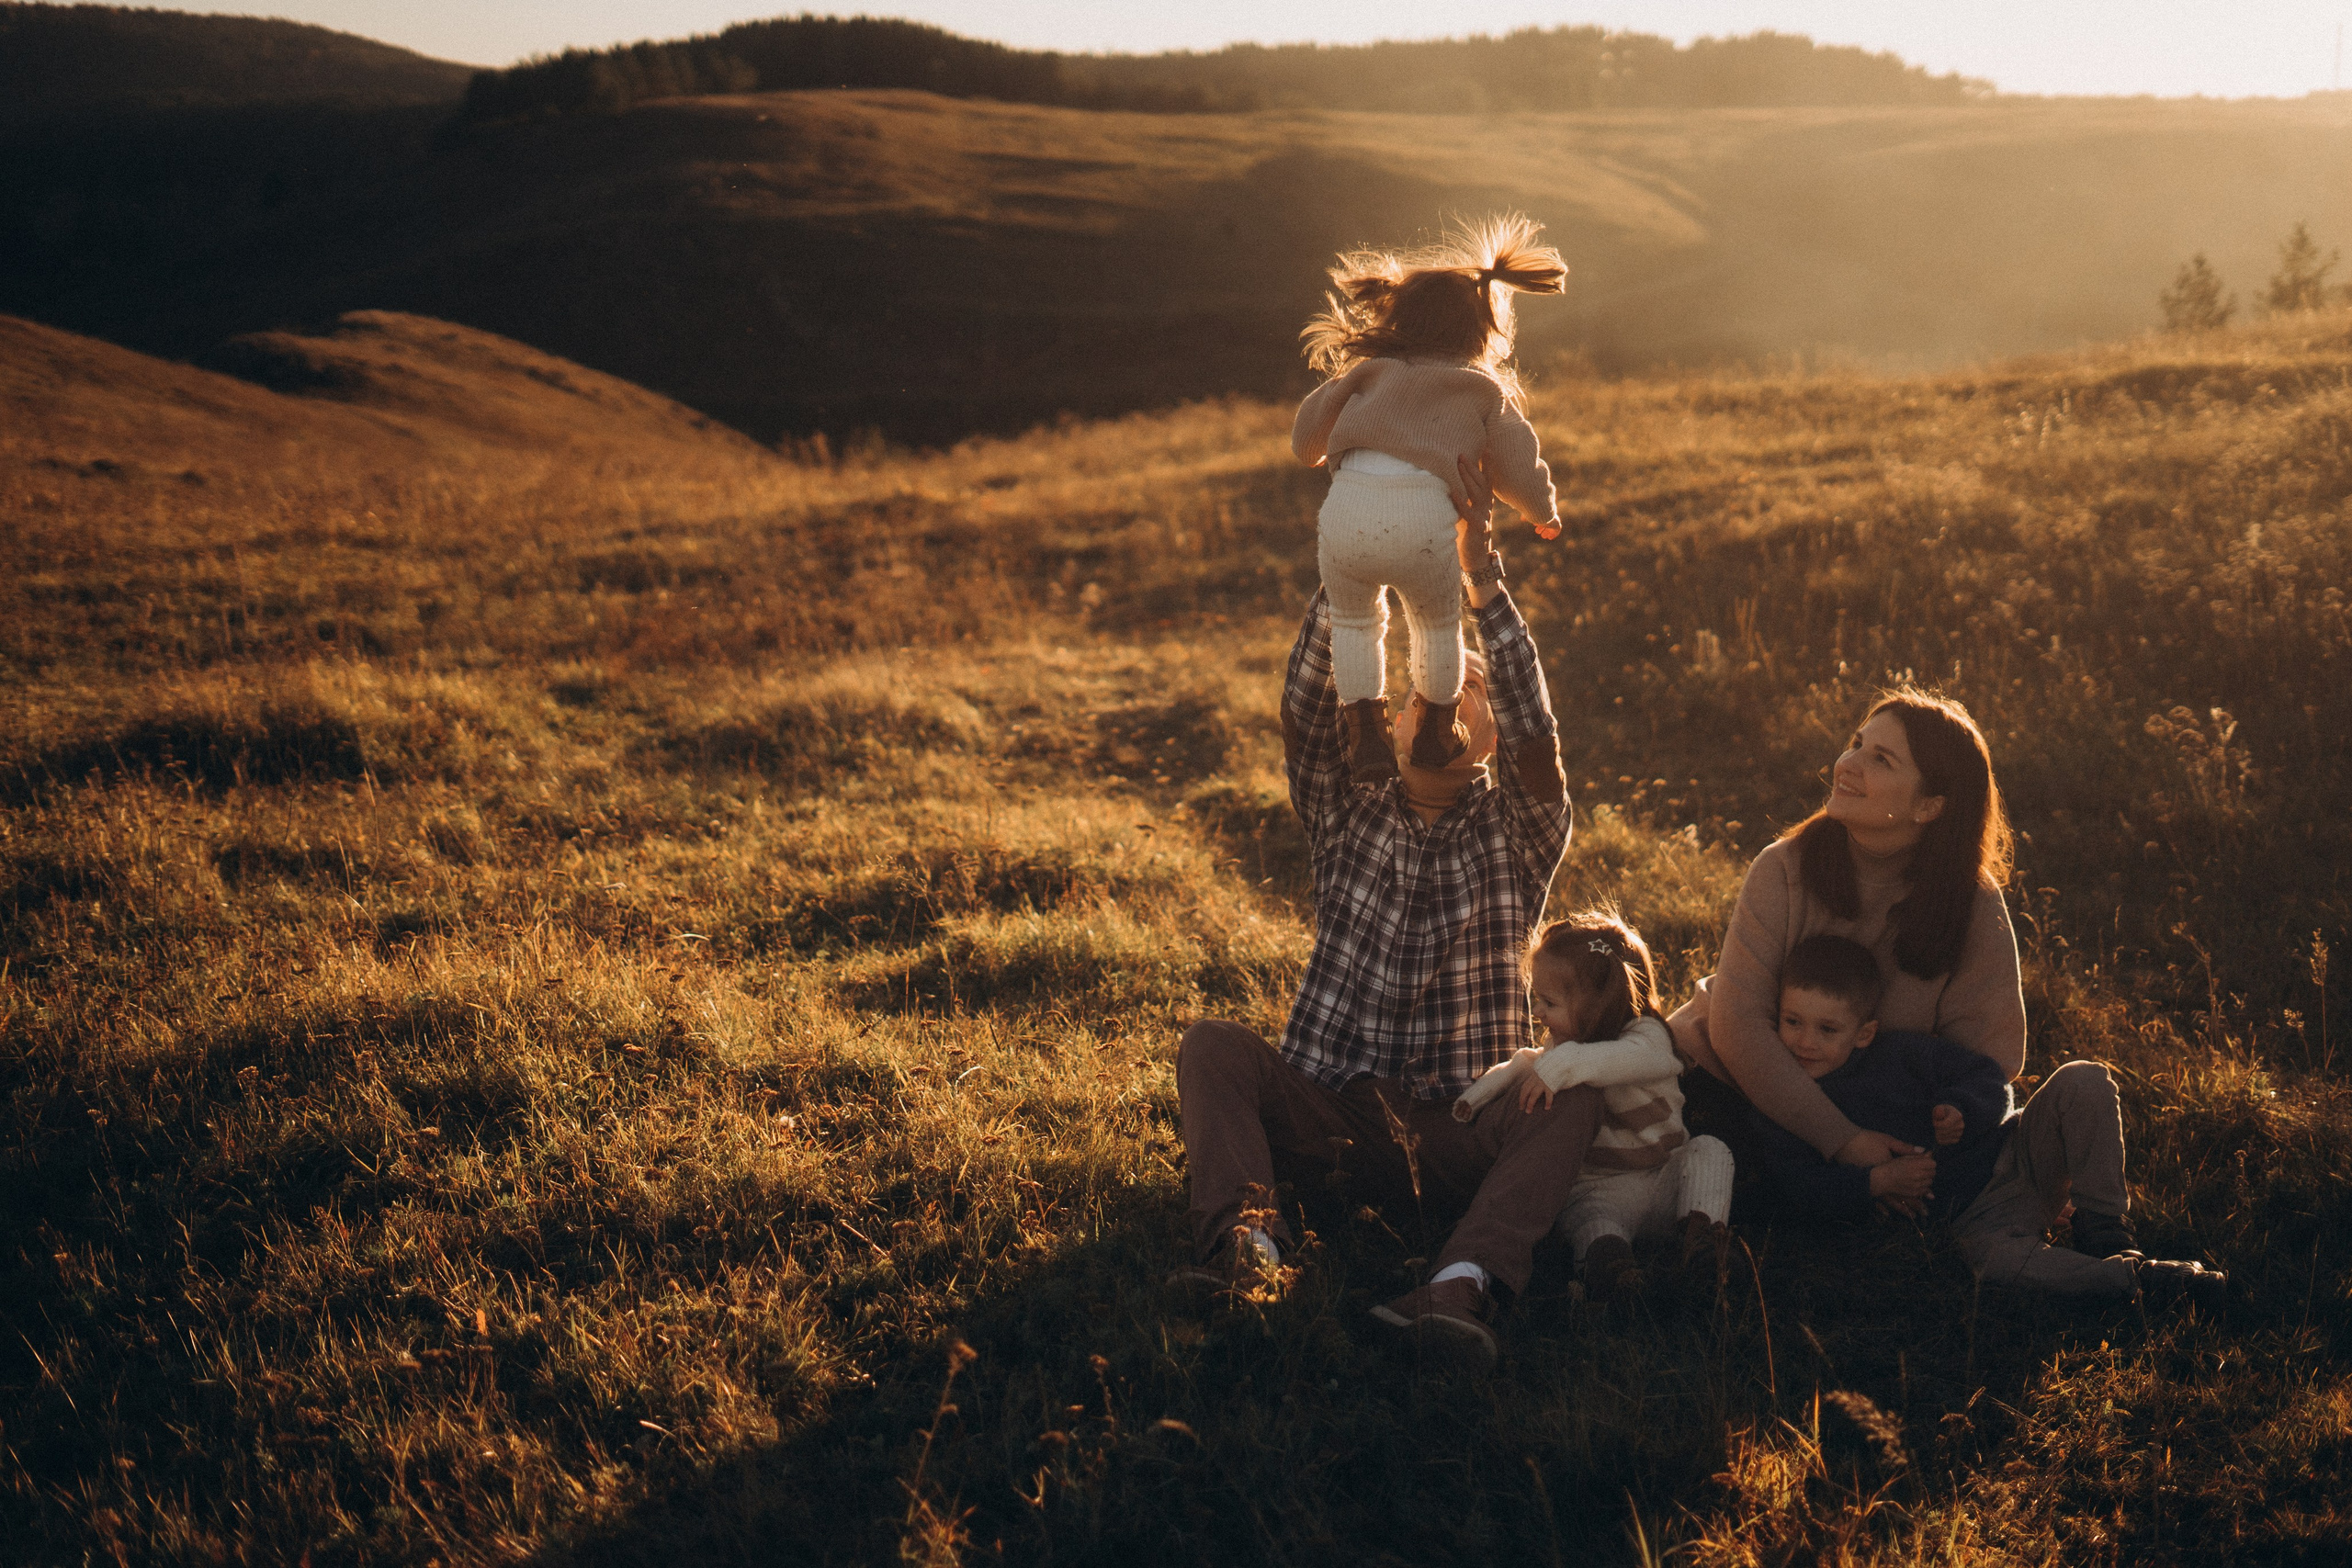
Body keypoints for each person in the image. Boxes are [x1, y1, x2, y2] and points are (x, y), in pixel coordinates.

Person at [1170, 468, 1593, 1372]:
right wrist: (1348, 575)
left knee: (1576, 1095)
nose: (1438, 701)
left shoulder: (1521, 832)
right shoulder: (1343, 803)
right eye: (1419, 693)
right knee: (1212, 1046)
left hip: (1454, 1125)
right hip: (1328, 1110)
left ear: (1488, 735)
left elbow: (1537, 737)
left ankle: (1459, 1284)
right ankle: (1250, 1254)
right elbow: (1303, 709)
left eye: (1464, 692)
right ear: (1393, 722)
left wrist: (1482, 586)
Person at [1668, 688, 2028, 1187]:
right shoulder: (1783, 867)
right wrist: (1843, 1140)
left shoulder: (1972, 904)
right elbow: (1738, 1027)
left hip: (1871, 1107)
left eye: (1880, 759)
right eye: (1856, 744)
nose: (1847, 764)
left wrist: (1935, 1118)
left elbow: (1987, 1057)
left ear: (1929, 807)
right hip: (1723, 1082)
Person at [1753, 934, 2226, 1305]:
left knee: (2083, 1079)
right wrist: (1876, 1182)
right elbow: (1802, 1190)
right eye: (1792, 1021)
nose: (1804, 1042)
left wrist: (1961, 1109)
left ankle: (2103, 1227)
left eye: (1827, 1028)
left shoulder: (1900, 1053)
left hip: (2016, 1149)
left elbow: (1985, 1076)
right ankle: (2133, 1280)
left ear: (1864, 1033)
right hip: (1975, 1217)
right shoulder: (1784, 1102)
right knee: (1992, 1260)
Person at [1291, 213, 1567, 784]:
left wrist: (1330, 452)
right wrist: (1542, 512)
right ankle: (1439, 732)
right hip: (1424, 522)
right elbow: (1518, 462)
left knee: (1352, 620)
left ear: (1395, 314)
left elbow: (1306, 441)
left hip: (1344, 519)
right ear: (1481, 326)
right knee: (1437, 625)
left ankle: (1364, 731)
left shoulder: (1366, 372)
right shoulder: (1481, 387)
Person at [1454, 912, 1734, 1303]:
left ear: (1599, 1005)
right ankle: (1612, 1270)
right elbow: (1522, 1063)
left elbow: (1623, 1059)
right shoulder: (1558, 1052)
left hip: (1664, 1175)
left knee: (1710, 1152)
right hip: (1602, 1186)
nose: (1537, 1013)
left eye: (1548, 1002)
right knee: (1587, 1216)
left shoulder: (1648, 1036)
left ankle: (1702, 1242)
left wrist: (1562, 1065)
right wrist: (1474, 1099)